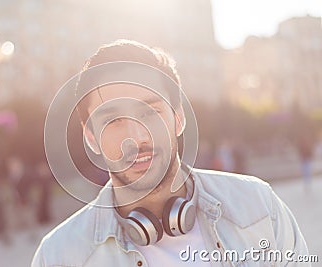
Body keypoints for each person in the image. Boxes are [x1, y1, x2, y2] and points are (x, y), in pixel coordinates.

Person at [32, 40, 309, 266]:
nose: (136, 138)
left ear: (178, 118)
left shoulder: (259, 206)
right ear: (91, 137)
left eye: (150, 111)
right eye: (113, 121)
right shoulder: (58, 256)